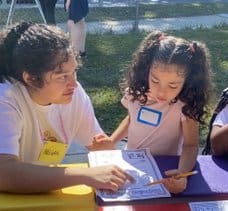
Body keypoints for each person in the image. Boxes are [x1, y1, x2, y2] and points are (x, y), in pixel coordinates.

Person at [0, 22, 134, 194]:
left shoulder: (74, 95)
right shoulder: (6, 99)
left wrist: (107, 154)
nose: (74, 84)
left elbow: (98, 148)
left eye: (74, 72)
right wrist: (84, 175)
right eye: (63, 76)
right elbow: (4, 173)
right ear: (31, 79)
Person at [91, 31, 213, 193]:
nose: (161, 92)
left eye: (173, 86)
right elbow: (131, 119)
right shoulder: (136, 94)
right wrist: (112, 141)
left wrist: (182, 173)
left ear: (187, 81)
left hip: (165, 168)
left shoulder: (184, 106)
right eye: (155, 80)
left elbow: (191, 145)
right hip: (132, 163)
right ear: (146, 69)